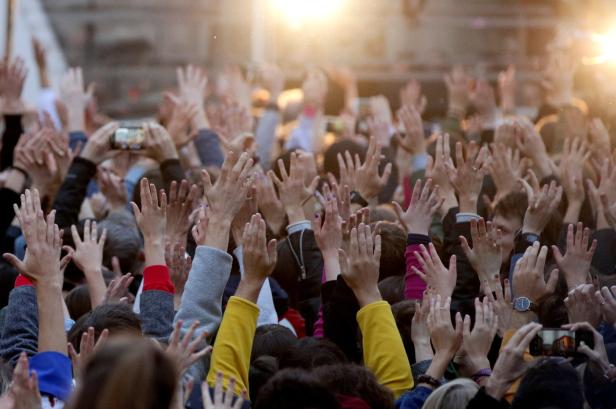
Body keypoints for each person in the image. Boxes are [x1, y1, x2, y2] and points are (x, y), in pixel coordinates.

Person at [0, 34, 615, 409]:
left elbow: (159, 333)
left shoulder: (47, 387)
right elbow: (404, 388)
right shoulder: (405, 397)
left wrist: (57, 272)